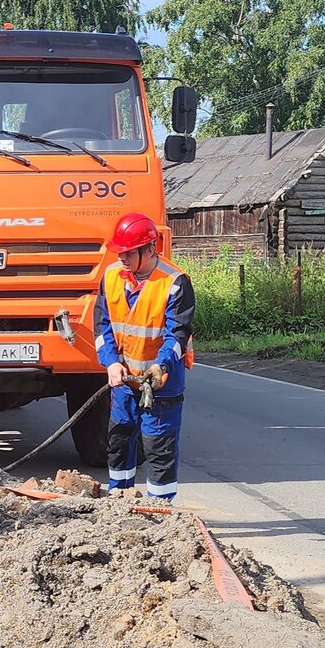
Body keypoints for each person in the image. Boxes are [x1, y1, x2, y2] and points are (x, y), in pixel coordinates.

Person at [94, 213, 195, 503]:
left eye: (129, 252)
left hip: (161, 383)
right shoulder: (111, 277)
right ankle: (119, 503)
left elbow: (177, 335)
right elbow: (102, 326)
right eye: (120, 252)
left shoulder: (175, 283)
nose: (122, 258)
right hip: (125, 381)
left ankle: (160, 511)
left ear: (150, 249)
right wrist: (111, 361)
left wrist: (160, 366)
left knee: (158, 447)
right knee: (119, 440)